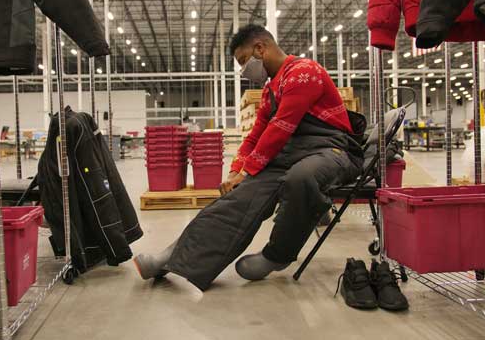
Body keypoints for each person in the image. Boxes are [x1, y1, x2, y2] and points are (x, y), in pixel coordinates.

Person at [134, 24, 366, 291]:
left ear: (260, 48)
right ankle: (172, 257)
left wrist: (250, 168)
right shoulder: (270, 92)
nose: (244, 70)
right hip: (291, 154)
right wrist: (236, 171)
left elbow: (282, 126)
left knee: (301, 177)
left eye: (244, 61)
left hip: (332, 150)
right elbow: (256, 136)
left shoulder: (304, 73)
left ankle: (276, 256)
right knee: (241, 192)